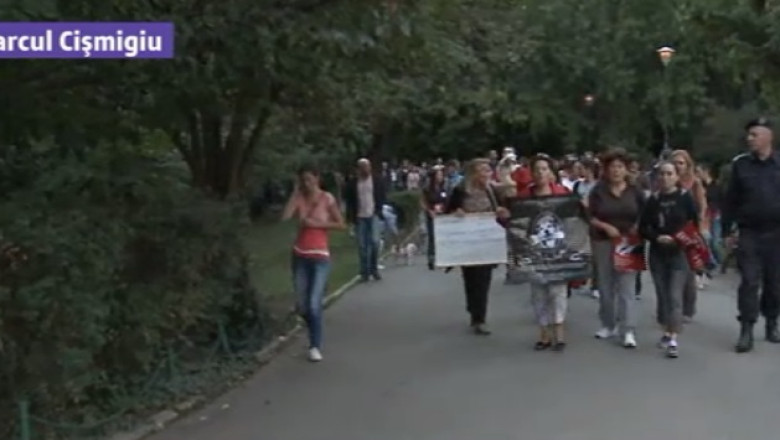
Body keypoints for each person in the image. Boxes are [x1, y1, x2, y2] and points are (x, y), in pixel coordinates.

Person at [722, 117, 780, 353]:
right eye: (749, 135)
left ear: (768, 137)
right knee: (749, 281)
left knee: (774, 283)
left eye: (755, 134)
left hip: (776, 233)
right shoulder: (741, 165)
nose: (750, 139)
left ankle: (772, 322)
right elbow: (731, 200)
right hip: (750, 232)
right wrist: (726, 230)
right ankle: (746, 329)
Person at [282, 165, 346, 362]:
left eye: (309, 179)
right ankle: (312, 329)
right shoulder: (299, 197)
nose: (307, 184)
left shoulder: (327, 199)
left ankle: (315, 345)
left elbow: (341, 224)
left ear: (317, 179)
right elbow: (285, 217)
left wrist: (318, 224)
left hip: (320, 256)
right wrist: (294, 194)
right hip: (300, 255)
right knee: (303, 305)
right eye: (303, 180)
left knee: (313, 303)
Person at [639, 161, 698, 358]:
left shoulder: (684, 197)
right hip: (658, 253)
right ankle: (666, 329)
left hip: (679, 252)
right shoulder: (653, 200)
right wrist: (656, 237)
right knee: (662, 295)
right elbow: (643, 227)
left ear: (677, 176)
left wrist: (679, 238)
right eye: (662, 174)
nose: (665, 178)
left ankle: (673, 338)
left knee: (674, 295)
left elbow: (694, 223)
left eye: (669, 174)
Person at [587, 149, 645, 348]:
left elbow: (645, 212)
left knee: (627, 286)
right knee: (605, 284)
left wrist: (638, 227)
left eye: (620, 167)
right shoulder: (598, 191)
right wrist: (605, 227)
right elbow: (590, 216)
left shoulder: (635, 191)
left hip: (629, 241)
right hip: (603, 241)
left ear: (626, 169)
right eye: (612, 167)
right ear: (606, 169)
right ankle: (607, 323)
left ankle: (628, 329)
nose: (616, 171)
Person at [445, 158, 510, 335]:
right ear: (473, 174)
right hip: (467, 240)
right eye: (483, 171)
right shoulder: (460, 190)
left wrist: (502, 212)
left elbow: (503, 209)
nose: (487, 174)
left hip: (487, 241)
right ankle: (473, 307)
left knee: (483, 278)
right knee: (470, 277)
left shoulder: (491, 190)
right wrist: (456, 212)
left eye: (489, 171)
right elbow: (448, 210)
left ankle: (479, 318)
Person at [517, 155, 571, 351]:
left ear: (551, 172)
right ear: (531, 173)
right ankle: (544, 334)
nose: (541, 173)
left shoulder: (562, 193)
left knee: (558, 292)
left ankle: (559, 333)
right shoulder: (524, 196)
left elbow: (573, 220)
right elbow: (515, 223)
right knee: (538, 292)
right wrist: (504, 217)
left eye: (544, 169)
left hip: (557, 249)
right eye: (537, 169)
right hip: (534, 250)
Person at [670, 150, 708, 315]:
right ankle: (672, 307)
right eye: (675, 163)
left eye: (681, 163)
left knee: (687, 271)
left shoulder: (694, 182)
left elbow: (702, 205)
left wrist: (699, 226)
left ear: (687, 165)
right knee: (671, 270)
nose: (678, 166)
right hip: (670, 230)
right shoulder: (667, 180)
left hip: (689, 230)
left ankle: (688, 307)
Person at [344, 158, 387, 282]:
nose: (365, 170)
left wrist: (378, 210)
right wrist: (350, 219)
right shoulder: (353, 184)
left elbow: (382, 196)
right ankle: (364, 271)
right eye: (362, 167)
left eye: (367, 167)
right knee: (362, 246)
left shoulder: (376, 181)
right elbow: (349, 202)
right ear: (358, 169)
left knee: (375, 242)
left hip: (373, 215)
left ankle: (374, 268)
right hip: (359, 217)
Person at [421, 168, 447, 270]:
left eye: (441, 175)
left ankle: (442, 258)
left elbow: (446, 200)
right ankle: (431, 258)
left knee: (442, 237)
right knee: (432, 236)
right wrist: (429, 211)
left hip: (442, 214)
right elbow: (423, 202)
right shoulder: (427, 189)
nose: (441, 177)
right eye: (439, 175)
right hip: (432, 215)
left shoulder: (443, 188)